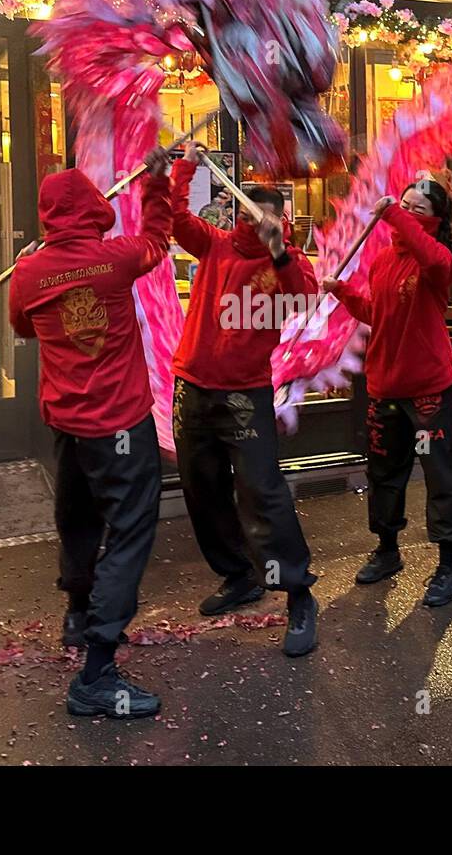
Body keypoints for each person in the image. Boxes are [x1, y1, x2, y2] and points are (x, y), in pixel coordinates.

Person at [9, 148, 173, 719]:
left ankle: (78, 615)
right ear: (91, 210)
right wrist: (159, 184)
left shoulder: (27, 272)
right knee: (129, 531)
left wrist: (38, 266)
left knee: (78, 517)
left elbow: (21, 326)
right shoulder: (116, 258)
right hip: (121, 423)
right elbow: (157, 240)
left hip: (66, 423)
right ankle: (98, 669)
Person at [170, 140, 320, 657]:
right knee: (202, 488)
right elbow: (175, 217)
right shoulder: (213, 245)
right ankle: (239, 575)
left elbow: (302, 300)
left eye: (272, 217)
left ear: (282, 221)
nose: (261, 222)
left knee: (262, 491)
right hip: (191, 384)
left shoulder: (288, 262)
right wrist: (181, 166)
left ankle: (299, 594)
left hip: (245, 393)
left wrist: (280, 251)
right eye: (255, 213)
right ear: (238, 210)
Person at [323, 179, 452, 606]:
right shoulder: (384, 260)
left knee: (440, 475)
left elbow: (425, 251)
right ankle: (387, 550)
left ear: (434, 217)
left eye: (415, 207)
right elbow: (376, 313)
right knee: (384, 475)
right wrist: (344, 293)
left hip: (428, 391)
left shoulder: (439, 260)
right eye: (403, 203)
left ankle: (447, 566)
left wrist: (394, 214)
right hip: (384, 388)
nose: (405, 211)